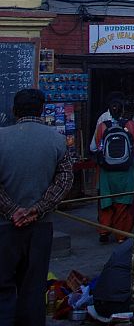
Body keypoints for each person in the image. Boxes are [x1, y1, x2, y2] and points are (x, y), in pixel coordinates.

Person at [0, 88, 73, 326]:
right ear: (41, 111)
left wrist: (12, 211)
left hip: (4, 227)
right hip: (41, 226)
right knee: (33, 288)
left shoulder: (1, 137)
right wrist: (37, 209)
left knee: (3, 285)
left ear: (14, 110)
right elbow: (64, 181)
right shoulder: (57, 140)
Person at [93, 96, 134, 242]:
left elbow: (94, 148)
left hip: (106, 173)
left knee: (105, 201)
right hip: (126, 171)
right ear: (123, 110)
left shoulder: (102, 126)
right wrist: (133, 162)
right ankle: (121, 235)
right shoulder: (131, 125)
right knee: (124, 203)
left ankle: (104, 232)